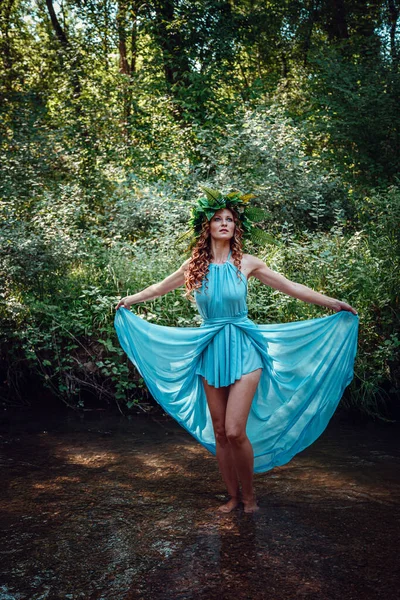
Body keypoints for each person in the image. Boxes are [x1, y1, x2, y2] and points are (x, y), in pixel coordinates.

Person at [115, 189, 358, 514]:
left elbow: (292, 288)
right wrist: (128, 300)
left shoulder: (247, 263)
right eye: (218, 218)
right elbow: (159, 288)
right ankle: (232, 497)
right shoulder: (193, 266)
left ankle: (251, 497)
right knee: (219, 431)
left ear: (236, 227)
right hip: (210, 349)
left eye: (230, 219)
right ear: (208, 226)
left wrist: (334, 304)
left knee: (234, 430)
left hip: (245, 348)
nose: (225, 223)